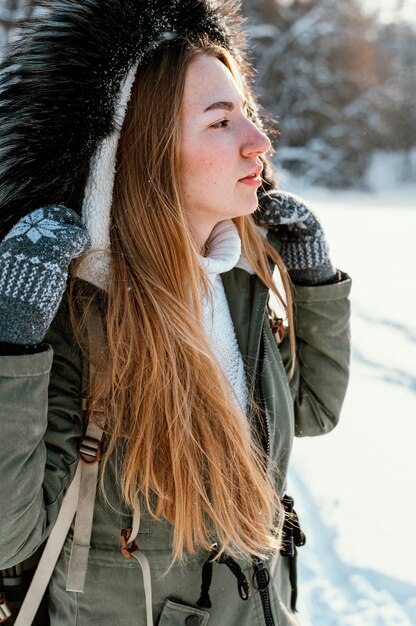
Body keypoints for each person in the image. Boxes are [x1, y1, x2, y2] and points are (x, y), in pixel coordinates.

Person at [0, 1, 351, 625]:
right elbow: (9, 538)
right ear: (140, 150)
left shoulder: (236, 284)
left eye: (246, 111)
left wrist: (314, 281)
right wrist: (13, 345)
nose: (259, 141)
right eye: (221, 122)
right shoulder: (77, 319)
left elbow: (312, 412)